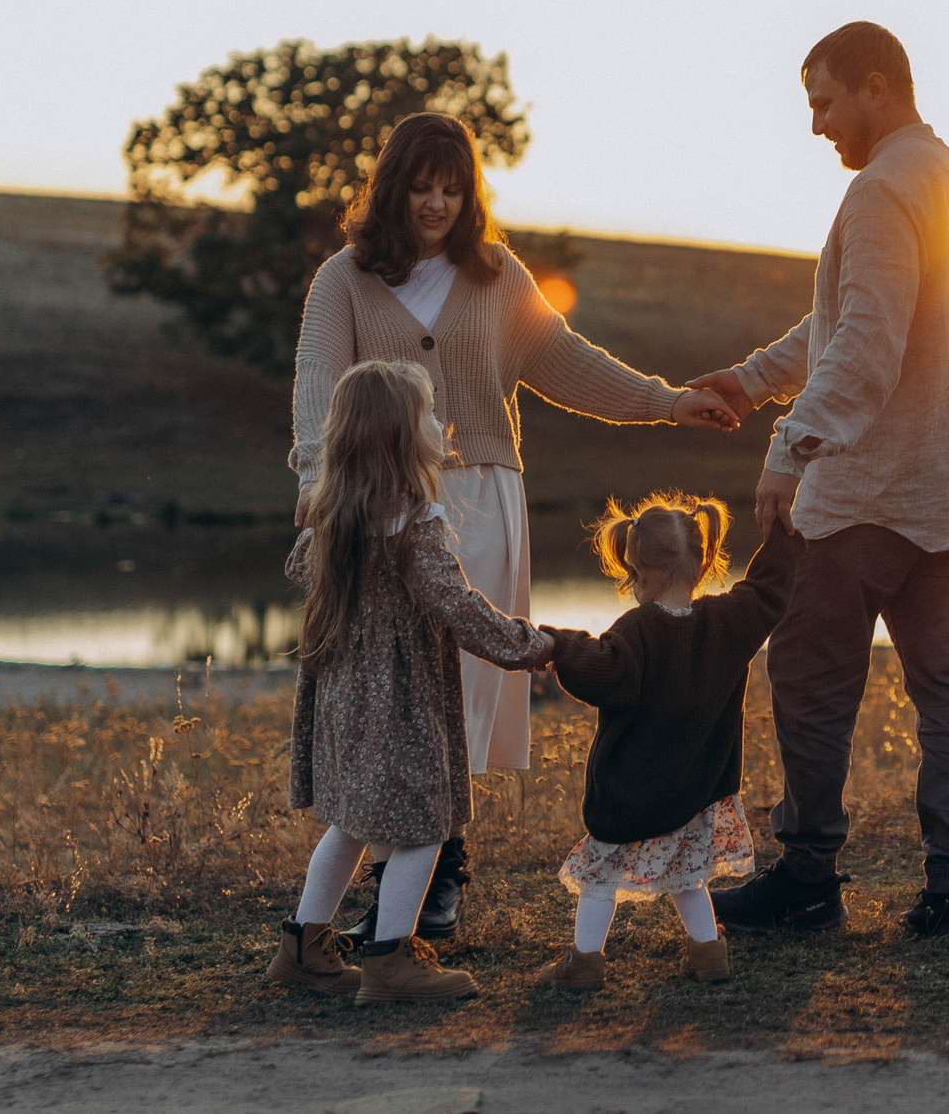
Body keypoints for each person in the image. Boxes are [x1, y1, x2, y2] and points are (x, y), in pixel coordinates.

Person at [289, 111, 739, 939]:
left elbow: (571, 365)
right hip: (376, 508)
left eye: (452, 189)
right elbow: (317, 388)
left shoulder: (497, 276)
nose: (436, 203)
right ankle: (399, 884)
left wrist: (668, 402)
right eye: (421, 187)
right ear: (391, 187)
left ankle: (435, 879)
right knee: (393, 690)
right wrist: (319, 489)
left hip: (482, 502)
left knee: (455, 692)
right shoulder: (342, 280)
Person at [687, 22, 949, 945]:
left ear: (877, 89)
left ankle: (806, 882)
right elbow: (847, 322)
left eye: (823, 102)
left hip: (871, 492)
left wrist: (789, 448)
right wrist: (754, 379)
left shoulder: (882, 189)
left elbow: (868, 344)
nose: (817, 126)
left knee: (810, 681)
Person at [268, 358, 556, 1002]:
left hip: (344, 697)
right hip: (401, 703)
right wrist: (530, 645)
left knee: (349, 821)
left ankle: (303, 947)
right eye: (428, 414)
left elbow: (299, 569)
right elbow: (456, 607)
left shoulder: (335, 521)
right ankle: (390, 961)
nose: (439, 423)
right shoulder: (414, 526)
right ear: (404, 437)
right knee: (425, 826)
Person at [534, 495, 798, 991]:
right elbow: (769, 587)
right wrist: (786, 527)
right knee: (687, 873)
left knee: (599, 878)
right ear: (701, 561)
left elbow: (598, 667)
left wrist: (556, 644)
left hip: (632, 793)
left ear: (638, 573)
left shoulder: (636, 632)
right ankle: (708, 954)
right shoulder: (730, 621)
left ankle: (585, 963)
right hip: (696, 791)